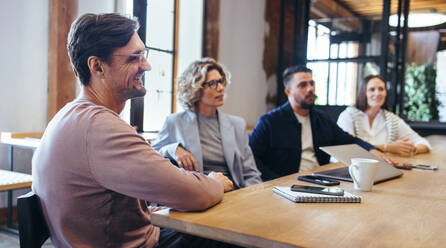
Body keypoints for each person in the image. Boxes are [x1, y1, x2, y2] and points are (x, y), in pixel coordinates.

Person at [32, 13, 234, 248]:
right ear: (97, 66)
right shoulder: (100, 127)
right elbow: (195, 194)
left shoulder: (70, 114)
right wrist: (215, 182)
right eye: (134, 58)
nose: (146, 66)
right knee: (230, 234)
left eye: (143, 55)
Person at [249, 65, 396, 181]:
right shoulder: (270, 121)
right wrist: (274, 180)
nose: (310, 89)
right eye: (303, 85)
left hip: (320, 180)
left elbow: (348, 140)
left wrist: (371, 150)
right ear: (288, 91)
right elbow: (251, 156)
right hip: (284, 185)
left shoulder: (322, 119)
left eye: (312, 83)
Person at [151, 58, 262, 190]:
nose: (221, 88)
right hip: (195, 194)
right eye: (213, 84)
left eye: (221, 82)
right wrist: (173, 149)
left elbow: (251, 173)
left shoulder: (237, 124)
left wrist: (250, 197)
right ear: (195, 88)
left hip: (233, 194)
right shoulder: (174, 122)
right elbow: (151, 155)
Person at [337, 75, 431, 156]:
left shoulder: (391, 119)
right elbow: (347, 150)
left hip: (381, 168)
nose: (377, 93)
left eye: (381, 89)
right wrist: (388, 148)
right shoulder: (348, 116)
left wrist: (412, 149)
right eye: (372, 89)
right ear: (363, 93)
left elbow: (423, 143)